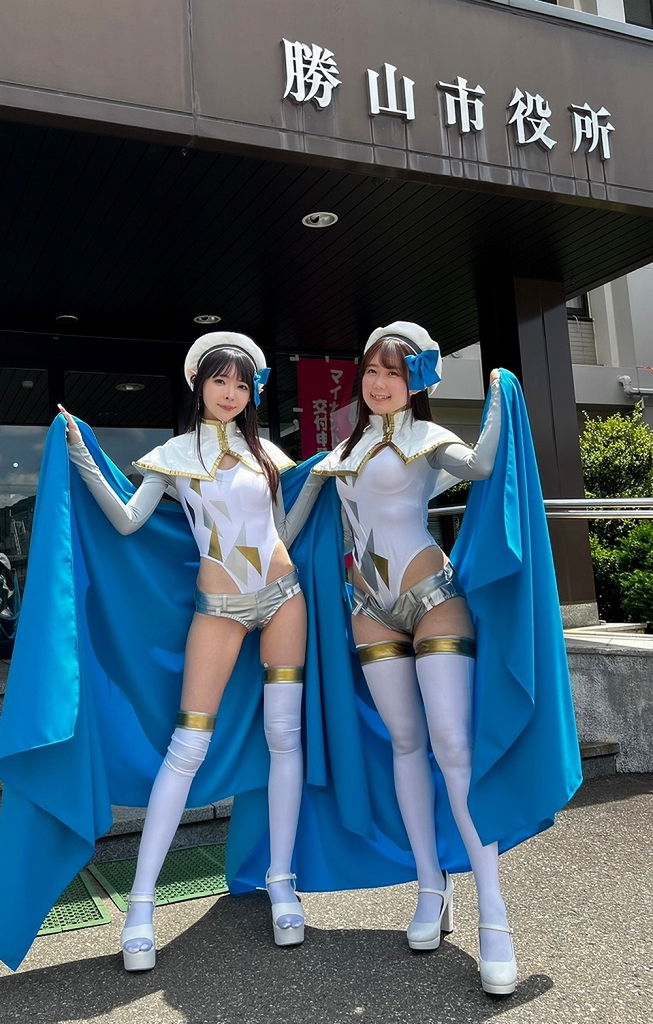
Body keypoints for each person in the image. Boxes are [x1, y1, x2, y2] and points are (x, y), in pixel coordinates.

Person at [59, 332, 319, 971]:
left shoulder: (268, 454)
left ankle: (281, 882)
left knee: (285, 738)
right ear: (198, 384)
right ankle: (141, 905)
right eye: (219, 380)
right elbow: (128, 521)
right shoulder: (172, 456)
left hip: (285, 598)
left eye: (241, 383)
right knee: (187, 747)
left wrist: (319, 478)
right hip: (219, 608)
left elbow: (283, 530)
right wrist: (83, 452)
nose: (230, 393)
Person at [309, 321, 517, 995]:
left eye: (394, 372)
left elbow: (479, 466)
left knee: (451, 745)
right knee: (405, 743)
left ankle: (493, 914)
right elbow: (282, 522)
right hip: (366, 608)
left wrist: (499, 392)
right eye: (371, 370)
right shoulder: (340, 452)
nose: (379, 382)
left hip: (431, 597)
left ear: (415, 381)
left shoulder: (428, 437)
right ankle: (430, 886)